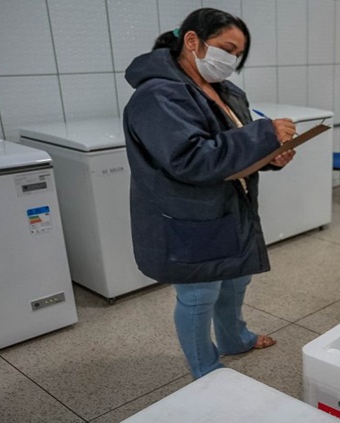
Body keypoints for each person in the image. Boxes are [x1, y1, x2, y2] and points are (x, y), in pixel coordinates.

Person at [123, 8, 296, 379]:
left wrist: (270, 158)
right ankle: (206, 368)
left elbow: (233, 147)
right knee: (199, 295)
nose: (232, 60)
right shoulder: (157, 96)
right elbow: (191, 159)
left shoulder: (223, 90)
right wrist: (264, 134)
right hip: (189, 215)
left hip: (230, 207)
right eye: (226, 48)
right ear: (191, 41)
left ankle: (234, 338)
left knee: (236, 278)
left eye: (238, 54)